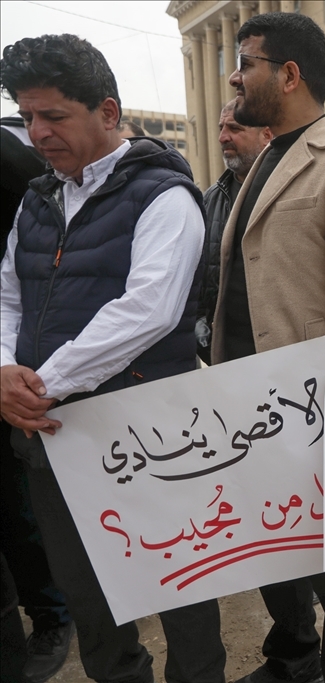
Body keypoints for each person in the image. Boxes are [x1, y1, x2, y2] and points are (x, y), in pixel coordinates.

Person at [0, 33, 225, 683]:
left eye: (54, 116)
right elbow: (7, 291)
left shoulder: (162, 194)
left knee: (177, 587)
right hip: (56, 439)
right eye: (28, 115)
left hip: (148, 438)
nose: (38, 133)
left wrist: (41, 382)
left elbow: (147, 310)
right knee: (91, 600)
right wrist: (3, 368)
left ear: (106, 110)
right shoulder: (38, 201)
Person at [213, 12, 325, 683]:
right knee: (270, 549)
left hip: (309, 418)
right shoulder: (264, 161)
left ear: (289, 75)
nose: (235, 75)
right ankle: (295, 654)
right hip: (244, 411)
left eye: (247, 61)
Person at [0, 115, 74, 683]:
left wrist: (22, 374)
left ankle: (52, 614)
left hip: (25, 375)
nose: (41, 130)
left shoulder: (15, 163)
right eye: (31, 117)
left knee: (19, 503)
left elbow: (29, 280)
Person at [195, 100, 271, 364]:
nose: (222, 137)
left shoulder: (287, 193)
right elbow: (196, 276)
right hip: (226, 357)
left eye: (235, 128)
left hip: (280, 355)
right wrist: (200, 326)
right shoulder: (210, 201)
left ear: (267, 135)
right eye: (221, 128)